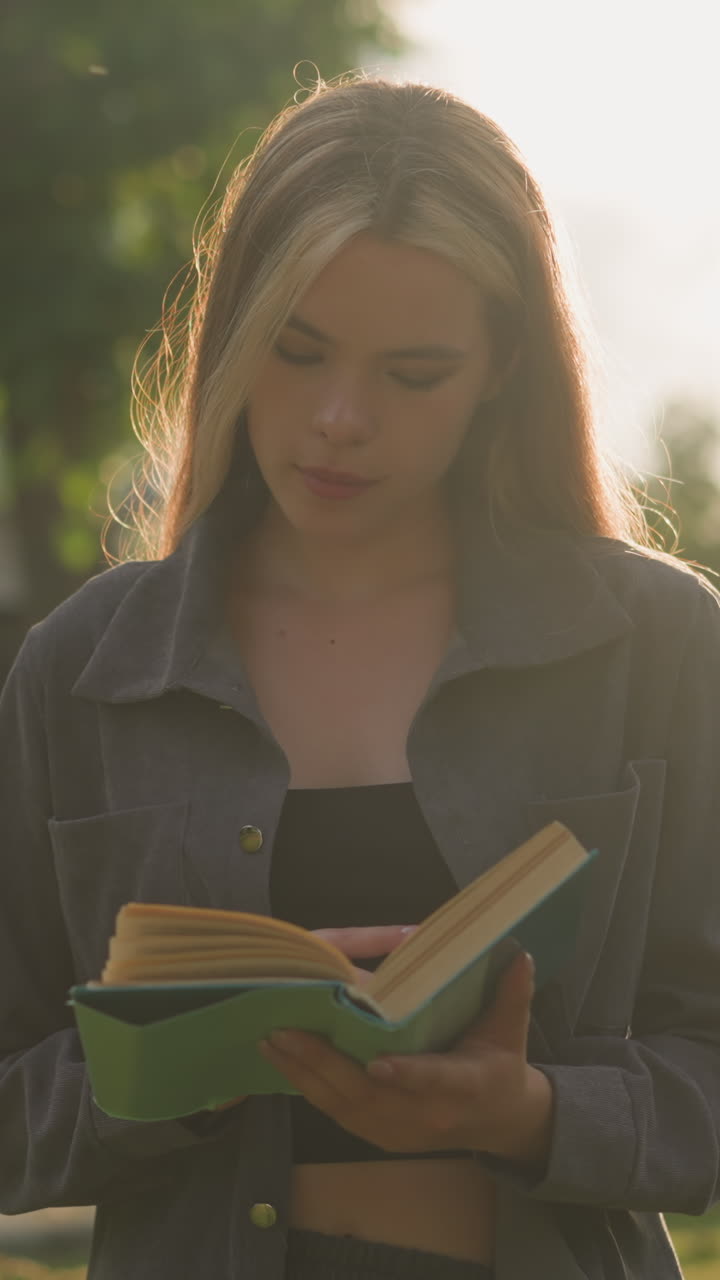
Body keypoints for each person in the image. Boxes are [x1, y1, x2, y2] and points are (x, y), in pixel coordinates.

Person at [1, 73, 719, 1280]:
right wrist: (191, 1064)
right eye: (298, 349)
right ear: (233, 330)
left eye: (414, 372)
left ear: (501, 367)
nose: (339, 418)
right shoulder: (84, 669)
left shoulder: (656, 645)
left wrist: (533, 1113)